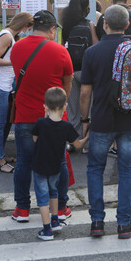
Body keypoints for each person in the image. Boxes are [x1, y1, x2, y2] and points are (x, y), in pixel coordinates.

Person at [80, 5, 131, 239]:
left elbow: (84, 93)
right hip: (130, 120)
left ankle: (97, 223)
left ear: (105, 24)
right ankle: (124, 224)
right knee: (127, 171)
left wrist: (85, 120)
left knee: (95, 169)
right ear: (127, 26)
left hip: (101, 120)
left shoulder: (92, 52)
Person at [10, 10, 73, 223]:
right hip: (53, 117)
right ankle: (62, 207)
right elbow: (67, 83)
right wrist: (61, 105)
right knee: (59, 163)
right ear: (53, 29)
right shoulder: (60, 51)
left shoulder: (16, 48)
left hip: (25, 116)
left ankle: (22, 209)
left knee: (24, 163)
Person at [32, 87, 88, 241]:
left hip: (40, 166)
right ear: (65, 106)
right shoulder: (67, 127)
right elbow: (77, 145)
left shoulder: (40, 123)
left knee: (42, 198)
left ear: (45, 106)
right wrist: (87, 136)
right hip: (56, 166)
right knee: (53, 192)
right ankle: (55, 220)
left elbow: (35, 140)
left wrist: (44, 117)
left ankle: (46, 230)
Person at [0, 12, 34, 173]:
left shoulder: (10, 35)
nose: (28, 31)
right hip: (0, 85)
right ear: (24, 25)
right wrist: (15, 62)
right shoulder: (7, 36)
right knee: (0, 124)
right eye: (29, 28)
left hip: (6, 85)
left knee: (7, 122)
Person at [61, 0, 99, 142]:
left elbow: (63, 48)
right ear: (86, 8)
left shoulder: (66, 26)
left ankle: (72, 140)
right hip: (86, 71)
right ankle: (87, 141)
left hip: (70, 71)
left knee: (72, 107)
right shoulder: (89, 24)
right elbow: (96, 46)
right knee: (88, 105)